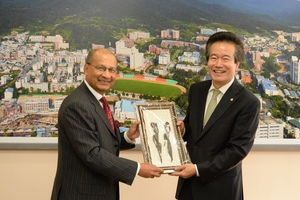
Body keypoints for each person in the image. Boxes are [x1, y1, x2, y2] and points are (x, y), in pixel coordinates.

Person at [51, 48, 163, 200]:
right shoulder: (77, 104)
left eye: (112, 70)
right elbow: (92, 154)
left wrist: (128, 137)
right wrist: (137, 168)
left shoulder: (98, 100)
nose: (107, 75)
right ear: (86, 68)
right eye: (101, 68)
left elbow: (102, 142)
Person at [170, 32, 261, 200]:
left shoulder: (248, 102)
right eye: (214, 58)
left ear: (237, 64)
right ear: (207, 60)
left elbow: (237, 150)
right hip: (188, 188)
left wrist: (197, 169)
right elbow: (193, 129)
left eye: (226, 59)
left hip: (221, 190)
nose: (218, 64)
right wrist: (183, 129)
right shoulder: (197, 90)